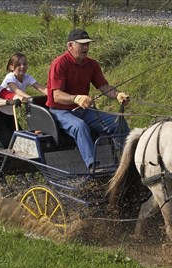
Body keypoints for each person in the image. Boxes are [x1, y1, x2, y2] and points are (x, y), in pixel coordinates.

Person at [46, 28, 130, 172]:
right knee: (80, 126)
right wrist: (76, 98)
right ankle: (93, 166)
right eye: (82, 44)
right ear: (70, 46)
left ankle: (127, 162)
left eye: (87, 44)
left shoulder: (92, 64)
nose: (86, 47)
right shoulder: (59, 64)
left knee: (118, 122)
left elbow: (103, 86)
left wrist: (117, 94)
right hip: (60, 111)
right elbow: (56, 95)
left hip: (83, 110)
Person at [0, 52, 48, 148]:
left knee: (20, 140)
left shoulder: (27, 77)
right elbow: (16, 91)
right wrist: (30, 99)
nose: (22, 67)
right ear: (11, 67)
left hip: (10, 113)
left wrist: (54, 95)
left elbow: (41, 88)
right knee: (8, 141)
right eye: (18, 64)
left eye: (24, 64)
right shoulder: (10, 77)